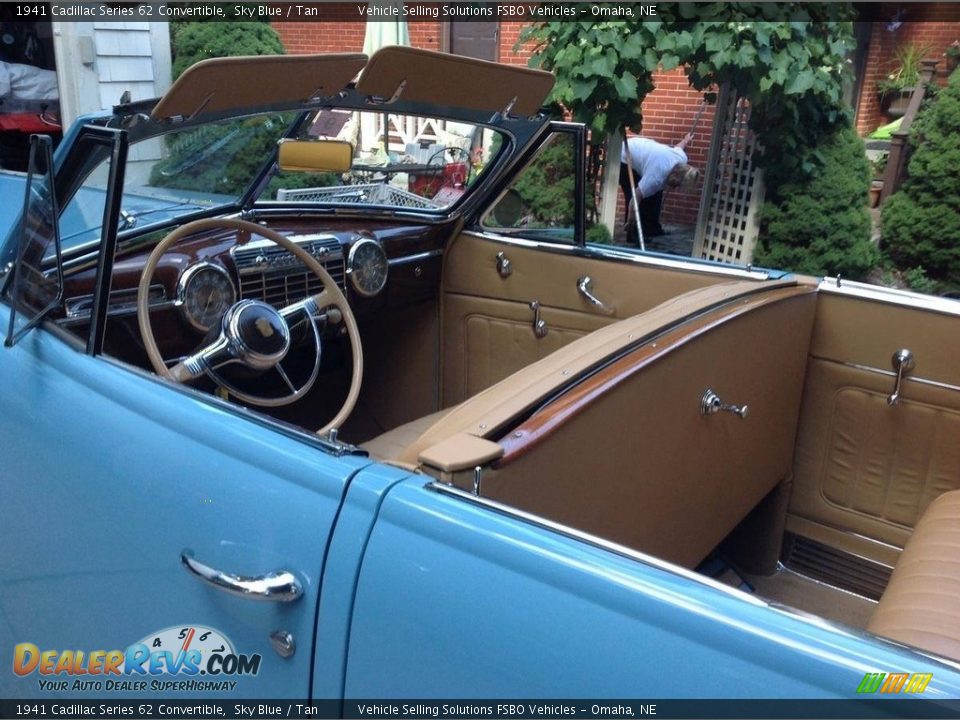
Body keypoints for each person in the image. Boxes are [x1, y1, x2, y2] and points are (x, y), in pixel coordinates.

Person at [619, 133, 699, 242]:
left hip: (641, 150)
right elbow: (635, 197)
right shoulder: (656, 177)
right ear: (675, 176)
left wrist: (685, 140)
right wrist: (630, 220)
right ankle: (633, 235)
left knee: (656, 194)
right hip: (625, 157)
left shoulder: (682, 158)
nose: (675, 188)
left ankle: (651, 229)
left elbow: (679, 147)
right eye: (677, 184)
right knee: (640, 199)